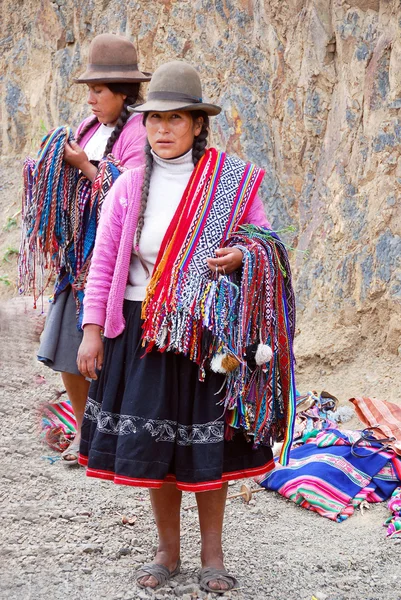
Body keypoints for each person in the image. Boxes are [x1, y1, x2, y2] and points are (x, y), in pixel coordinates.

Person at [77, 61, 295, 593]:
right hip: (141, 327)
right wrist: (90, 329)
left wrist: (243, 254)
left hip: (206, 333)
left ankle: (212, 555)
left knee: (206, 445)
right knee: (157, 448)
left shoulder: (232, 182)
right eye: (155, 120)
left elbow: (267, 242)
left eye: (176, 119)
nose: (163, 129)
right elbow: (105, 262)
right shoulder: (129, 186)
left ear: (199, 125)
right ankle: (166, 551)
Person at [37, 34, 151, 465]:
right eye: (88, 90)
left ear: (123, 92)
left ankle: (109, 435)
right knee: (69, 344)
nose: (90, 99)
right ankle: (88, 428)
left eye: (98, 91)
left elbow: (135, 195)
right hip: (79, 261)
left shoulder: (140, 132)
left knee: (111, 352)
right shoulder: (89, 129)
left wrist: (84, 166)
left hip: (116, 262)